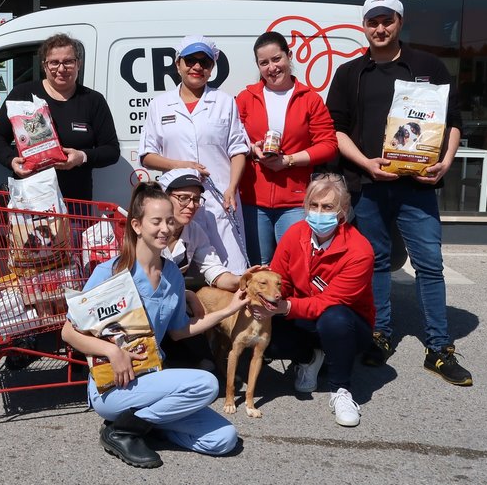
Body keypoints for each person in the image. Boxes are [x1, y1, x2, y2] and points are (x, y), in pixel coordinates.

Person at [326, 0, 472, 386]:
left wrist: (446, 161)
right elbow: (335, 130)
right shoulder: (351, 73)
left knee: (429, 265)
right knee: (375, 263)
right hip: (369, 187)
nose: (379, 28)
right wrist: (365, 163)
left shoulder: (428, 66)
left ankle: (439, 348)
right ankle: (380, 334)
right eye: (373, 22)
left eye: (386, 21)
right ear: (364, 26)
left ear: (399, 22)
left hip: (417, 187)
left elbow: (453, 121)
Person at [61, 182, 247, 468]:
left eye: (170, 221)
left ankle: (146, 425)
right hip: (114, 386)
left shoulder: (172, 273)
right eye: (156, 221)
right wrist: (112, 352)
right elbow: (68, 331)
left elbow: (178, 331)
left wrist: (229, 310)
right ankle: (121, 431)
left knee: (224, 438)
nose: (165, 228)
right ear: (136, 225)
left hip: (151, 378)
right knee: (207, 384)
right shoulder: (110, 271)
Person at [253, 174, 374, 427]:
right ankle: (309, 358)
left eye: (328, 207)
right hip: (302, 317)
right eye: (314, 205)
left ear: (342, 211)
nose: (319, 212)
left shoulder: (359, 250)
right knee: (264, 334)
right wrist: (266, 301)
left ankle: (341, 390)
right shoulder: (295, 233)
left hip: (348, 326)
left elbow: (328, 302)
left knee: (334, 318)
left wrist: (285, 307)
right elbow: (280, 280)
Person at [138, 35, 250, 275]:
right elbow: (146, 155)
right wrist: (182, 165)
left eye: (205, 62)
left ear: (211, 69)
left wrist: (231, 188)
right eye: (190, 60)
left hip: (220, 201)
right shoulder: (160, 105)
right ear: (178, 64)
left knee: (231, 271)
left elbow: (238, 149)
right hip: (177, 204)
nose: (197, 67)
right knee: (175, 272)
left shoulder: (224, 102)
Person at [236, 31, 339, 265]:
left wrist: (289, 160)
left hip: (294, 201)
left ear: (289, 56)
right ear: (258, 66)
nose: (272, 67)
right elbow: (231, 139)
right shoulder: (245, 98)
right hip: (254, 200)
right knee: (259, 268)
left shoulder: (310, 99)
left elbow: (329, 145)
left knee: (294, 266)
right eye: (264, 63)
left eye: (276, 59)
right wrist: (252, 149)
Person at [0, 33, 119, 201]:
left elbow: (112, 150)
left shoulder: (93, 100)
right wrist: (11, 160)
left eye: (68, 61)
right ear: (44, 66)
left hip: (75, 201)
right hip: (30, 199)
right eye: (54, 62)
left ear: (79, 64)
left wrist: (82, 157)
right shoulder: (22, 94)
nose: (61, 69)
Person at [156, 168, 243, 370]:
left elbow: (215, 271)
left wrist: (243, 280)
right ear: (163, 198)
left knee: (207, 366)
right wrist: (187, 294)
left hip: (172, 307)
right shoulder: (146, 229)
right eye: (183, 198)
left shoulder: (194, 230)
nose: (191, 205)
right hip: (144, 308)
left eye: (196, 199)